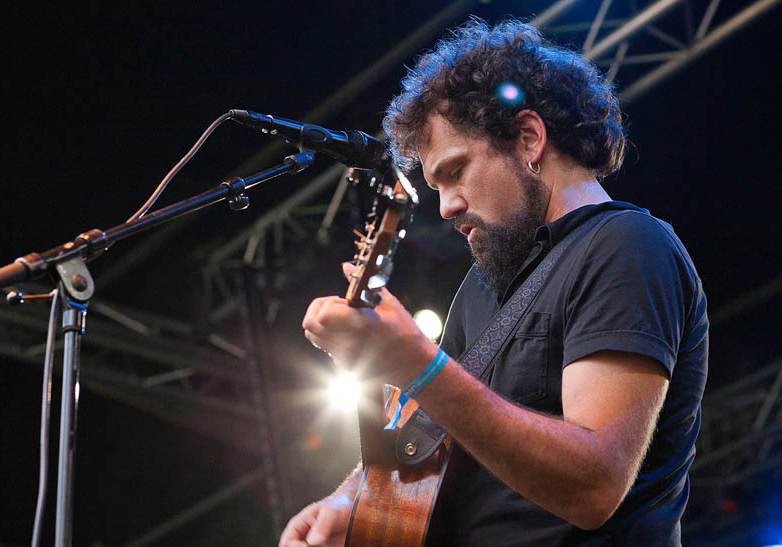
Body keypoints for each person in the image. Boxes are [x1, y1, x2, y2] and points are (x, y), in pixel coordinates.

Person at [279, 18, 708, 547]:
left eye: (455, 171)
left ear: (529, 138)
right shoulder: (480, 289)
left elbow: (594, 489)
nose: (446, 205)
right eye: (435, 185)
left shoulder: (628, 244)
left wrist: (416, 363)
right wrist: (350, 499)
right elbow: (434, 437)